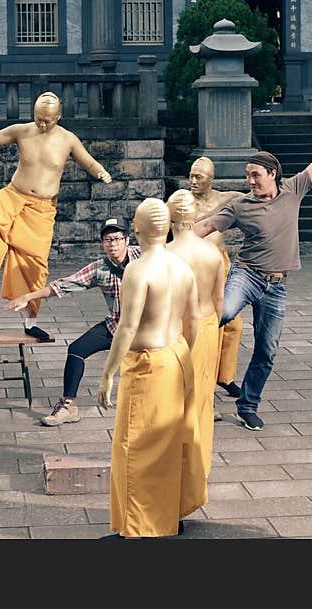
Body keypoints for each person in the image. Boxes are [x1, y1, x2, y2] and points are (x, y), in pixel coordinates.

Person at [194, 112, 312, 431]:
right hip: (246, 275)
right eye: (247, 176)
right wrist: (162, 243)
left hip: (277, 286)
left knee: (267, 350)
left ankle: (247, 405)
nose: (249, 181)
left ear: (273, 173)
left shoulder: (293, 190)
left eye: (255, 175)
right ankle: (194, 384)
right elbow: (207, 225)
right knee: (220, 313)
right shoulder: (241, 205)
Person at [0, 91, 112, 340]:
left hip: (42, 207)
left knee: (34, 265)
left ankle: (30, 322)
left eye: (48, 120)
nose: (42, 124)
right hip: (14, 194)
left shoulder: (68, 139)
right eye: (38, 118)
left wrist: (101, 172)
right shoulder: (22, 130)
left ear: (58, 116)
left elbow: (88, 162)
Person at [98, 198, 203, 538]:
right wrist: (185, 353)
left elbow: (127, 327)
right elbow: (194, 319)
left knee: (135, 445)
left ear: (137, 230)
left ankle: (137, 527)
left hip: (148, 363)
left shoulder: (138, 269)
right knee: (173, 440)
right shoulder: (182, 269)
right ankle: (171, 512)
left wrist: (108, 372)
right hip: (176, 355)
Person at [4, 216, 141, 426]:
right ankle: (68, 406)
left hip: (146, 331)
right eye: (107, 240)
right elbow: (63, 285)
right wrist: (28, 297)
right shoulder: (99, 268)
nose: (112, 244)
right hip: (117, 325)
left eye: (117, 239)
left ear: (127, 240)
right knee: (76, 349)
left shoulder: (145, 257)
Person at [166, 190, 225, 475]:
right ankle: (199, 466)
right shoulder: (213, 252)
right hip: (209, 324)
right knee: (203, 398)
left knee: (174, 399)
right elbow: (219, 300)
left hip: (176, 331)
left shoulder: (166, 255)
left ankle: (176, 462)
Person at [189, 156, 246, 398]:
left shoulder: (226, 198)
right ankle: (202, 382)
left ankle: (225, 375)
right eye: (190, 175)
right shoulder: (182, 201)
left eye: (198, 177)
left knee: (233, 323)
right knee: (207, 326)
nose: (192, 181)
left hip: (221, 263)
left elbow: (257, 198)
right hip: (196, 265)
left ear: (211, 180)